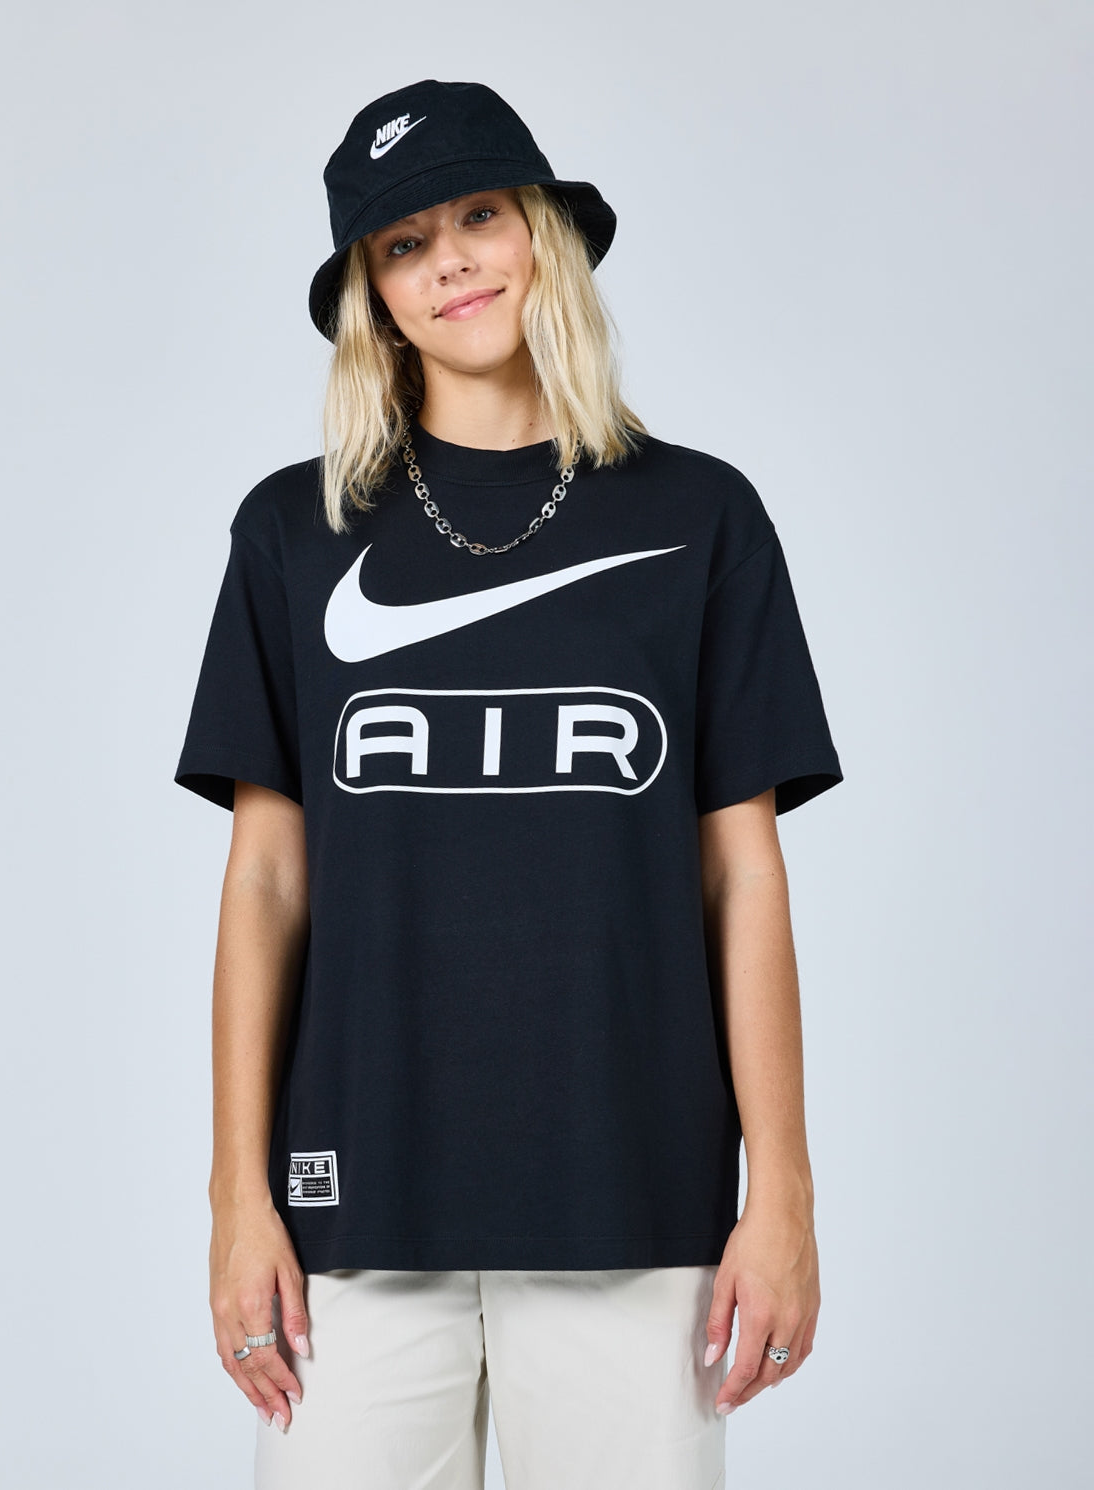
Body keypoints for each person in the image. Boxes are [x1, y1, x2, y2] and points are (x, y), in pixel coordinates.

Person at [174, 79, 844, 1490]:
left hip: (635, 1201)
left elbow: (743, 875)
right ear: (373, 294)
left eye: (480, 216)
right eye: (405, 244)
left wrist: (780, 1188)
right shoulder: (294, 531)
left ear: (545, 233)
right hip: (350, 1215)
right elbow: (267, 881)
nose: (453, 263)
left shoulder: (701, 517)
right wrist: (238, 1196)